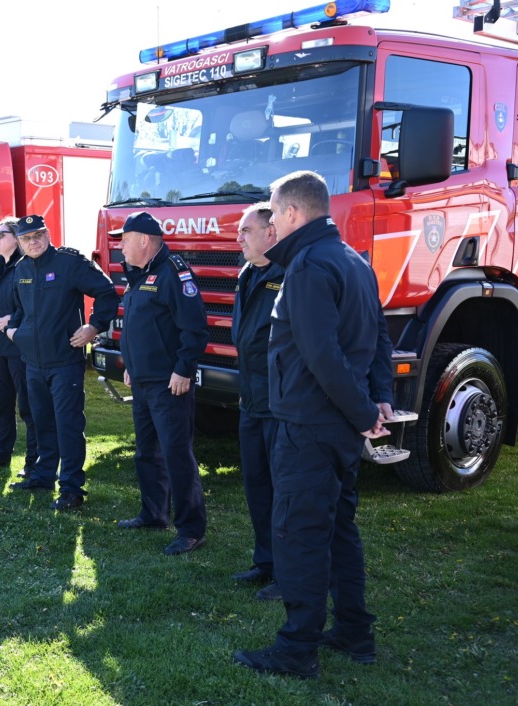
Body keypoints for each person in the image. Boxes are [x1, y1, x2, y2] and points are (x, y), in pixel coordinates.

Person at [234, 171, 394, 679]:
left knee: (299, 535)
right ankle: (353, 631)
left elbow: (322, 356)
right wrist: (376, 400)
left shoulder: (306, 266)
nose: (273, 224)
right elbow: (378, 339)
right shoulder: (353, 260)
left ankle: (296, 649)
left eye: (276, 214)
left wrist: (367, 411)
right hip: (336, 427)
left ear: (294, 213)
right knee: (339, 529)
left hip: (308, 425)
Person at [5, 215, 119, 511]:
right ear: (19, 242)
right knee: (41, 421)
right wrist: (15, 331)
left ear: (48, 234)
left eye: (38, 235)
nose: (33, 242)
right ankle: (43, 475)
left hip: (64, 361)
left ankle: (71, 488)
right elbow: (19, 309)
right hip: (33, 362)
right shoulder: (21, 269)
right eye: (27, 238)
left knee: (67, 424)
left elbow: (106, 292)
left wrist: (94, 326)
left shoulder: (69, 263)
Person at [115, 212, 210, 555]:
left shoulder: (173, 272)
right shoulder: (141, 273)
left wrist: (184, 370)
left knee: (176, 455)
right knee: (147, 453)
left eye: (124, 239)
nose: (120, 246)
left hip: (169, 384)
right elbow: (139, 327)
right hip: (143, 380)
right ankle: (154, 513)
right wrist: (131, 367)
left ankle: (191, 529)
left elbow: (195, 328)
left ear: (144, 240)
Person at [230, 203, 285, 599]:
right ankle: (265, 562)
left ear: (271, 233)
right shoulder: (249, 273)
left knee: (285, 492)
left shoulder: (290, 274)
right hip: (251, 400)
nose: (239, 238)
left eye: (246, 231)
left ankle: (289, 574)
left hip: (279, 403)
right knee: (257, 485)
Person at [0, 217, 37, 475]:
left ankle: (34, 461)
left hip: (19, 350)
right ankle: (1, 455)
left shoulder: (26, 266)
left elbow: (33, 305)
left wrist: (13, 319)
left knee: (28, 407)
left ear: (15, 237)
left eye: (1, 234)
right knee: (1, 406)